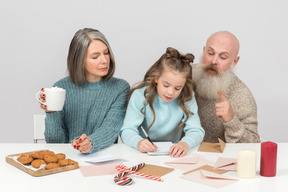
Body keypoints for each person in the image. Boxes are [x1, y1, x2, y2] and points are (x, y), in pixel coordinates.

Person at [38, 28, 130, 153]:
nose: (104, 60)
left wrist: (90, 143)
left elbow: (110, 129)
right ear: (79, 60)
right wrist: (51, 113)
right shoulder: (60, 88)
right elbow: (55, 142)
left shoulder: (120, 88)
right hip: (69, 161)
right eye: (95, 56)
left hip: (105, 160)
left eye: (106, 53)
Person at [120, 47, 205, 157]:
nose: (170, 92)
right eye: (166, 85)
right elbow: (127, 130)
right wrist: (138, 142)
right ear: (156, 78)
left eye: (178, 88)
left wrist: (185, 143)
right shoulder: (140, 96)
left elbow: (196, 130)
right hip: (142, 153)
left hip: (172, 154)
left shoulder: (187, 97)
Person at [192, 30, 260, 143]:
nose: (214, 61)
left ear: (235, 61)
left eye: (223, 57)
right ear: (204, 51)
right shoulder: (182, 75)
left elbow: (254, 144)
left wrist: (231, 120)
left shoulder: (242, 95)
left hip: (214, 158)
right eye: (210, 53)